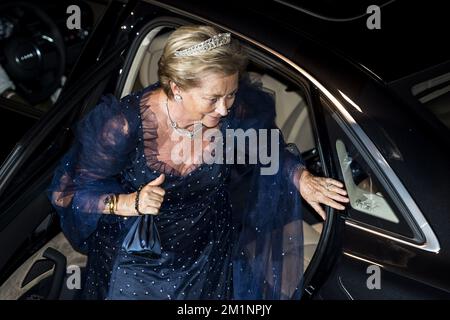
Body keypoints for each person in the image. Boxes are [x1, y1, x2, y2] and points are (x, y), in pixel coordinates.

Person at [48, 25, 349, 300]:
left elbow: (263, 146)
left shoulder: (232, 108)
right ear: (177, 88)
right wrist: (128, 202)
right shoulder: (123, 125)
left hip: (206, 251)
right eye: (212, 98)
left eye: (230, 94)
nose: (223, 108)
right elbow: (70, 192)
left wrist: (301, 178)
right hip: (136, 260)